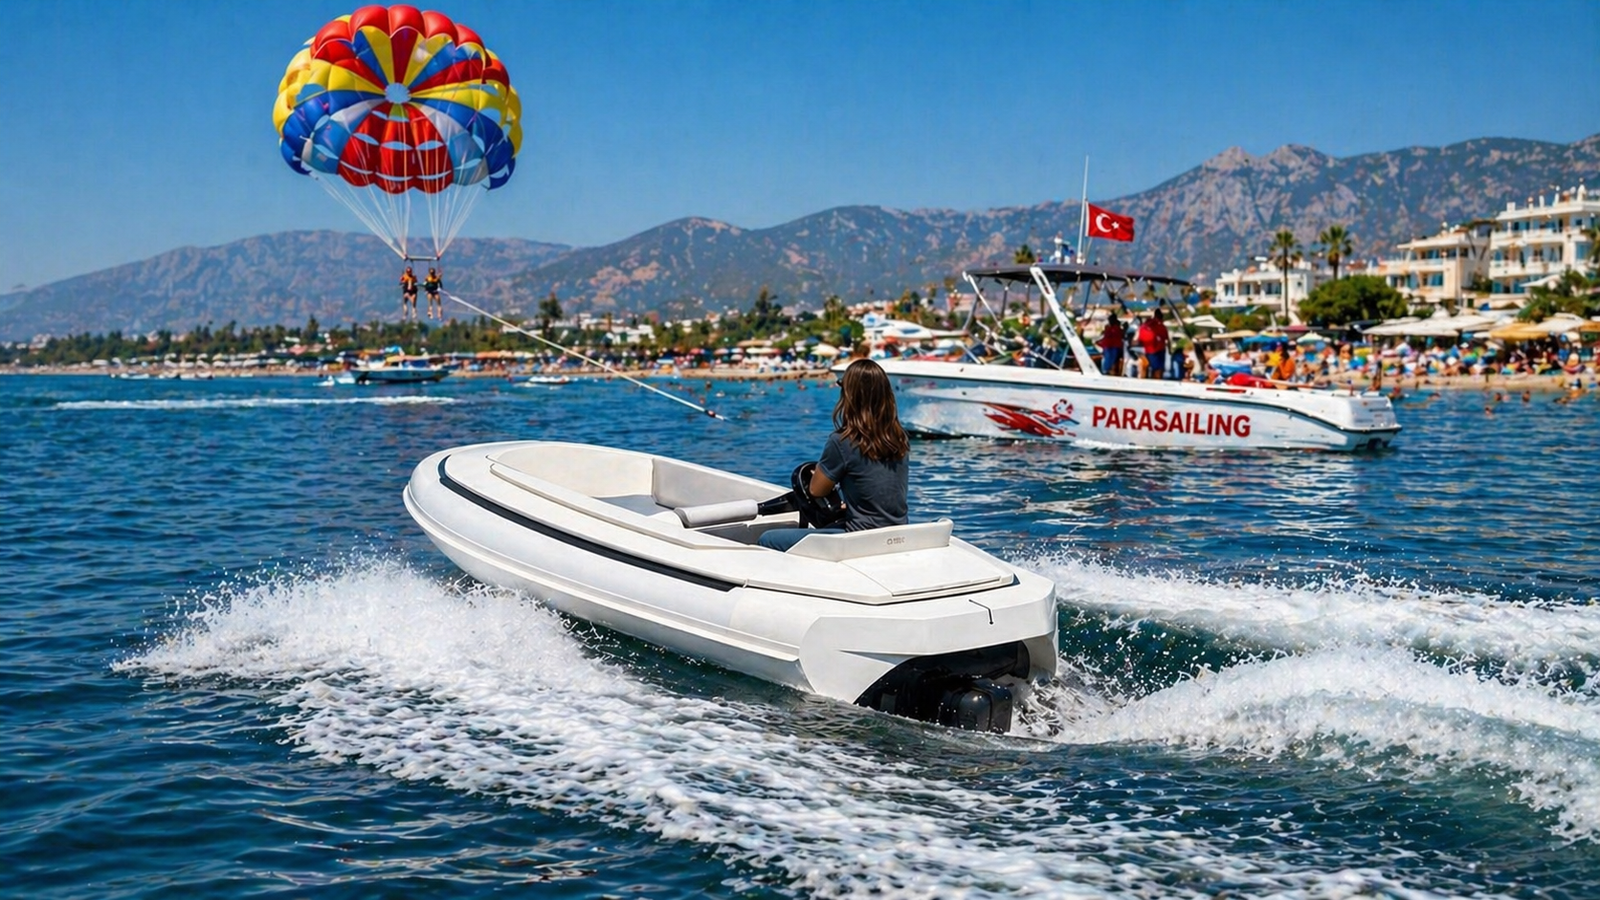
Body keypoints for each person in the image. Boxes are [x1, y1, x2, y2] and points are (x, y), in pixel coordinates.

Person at [758, 358, 909, 552]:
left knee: (768, 539)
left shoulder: (842, 441)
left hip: (858, 538)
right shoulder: (899, 438)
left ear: (850, 395)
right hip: (897, 535)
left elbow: (816, 490)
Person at [1135, 311, 1169, 379]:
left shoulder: (1146, 325)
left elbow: (1138, 339)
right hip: (1159, 349)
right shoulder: (1161, 326)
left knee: (1154, 368)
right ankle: (1157, 382)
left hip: (1150, 350)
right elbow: (1166, 339)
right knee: (1158, 369)